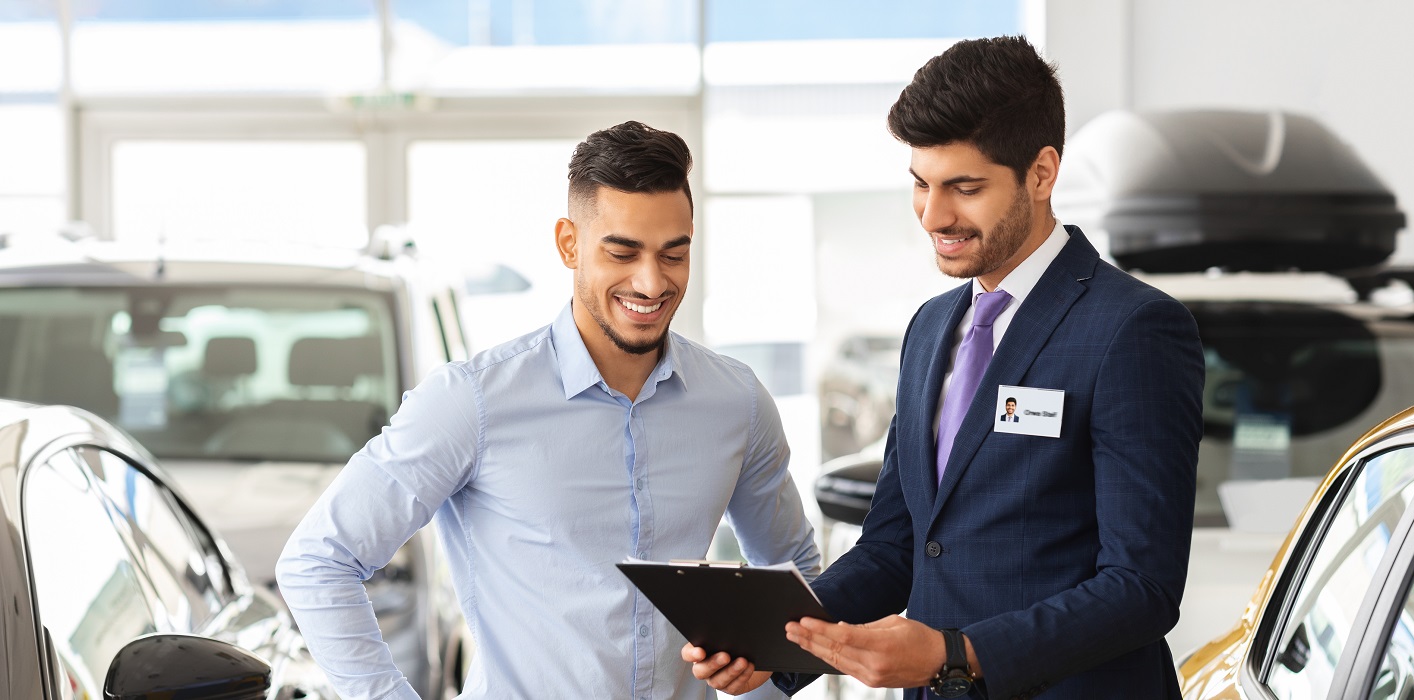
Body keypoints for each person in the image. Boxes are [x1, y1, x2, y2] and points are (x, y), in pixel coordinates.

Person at [688, 36, 1204, 699]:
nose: (935, 216)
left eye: (964, 188)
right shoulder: (931, 329)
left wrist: (954, 653)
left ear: (1042, 173)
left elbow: (1143, 588)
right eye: (921, 185)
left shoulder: (1132, 329)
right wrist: (774, 643)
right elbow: (896, 546)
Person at [277, 121, 821, 699]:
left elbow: (800, 581)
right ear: (569, 244)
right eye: (623, 251)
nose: (651, 281)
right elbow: (319, 561)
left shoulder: (736, 401)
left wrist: (763, 670)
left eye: (674, 254)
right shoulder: (475, 401)